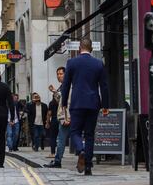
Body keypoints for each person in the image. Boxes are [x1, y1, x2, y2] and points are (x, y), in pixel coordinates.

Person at [60, 37, 110, 176]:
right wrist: (105, 105)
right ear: (91, 49)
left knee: (75, 131)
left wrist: (64, 102)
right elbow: (104, 86)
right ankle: (88, 166)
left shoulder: (72, 62)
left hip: (77, 103)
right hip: (93, 103)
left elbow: (66, 85)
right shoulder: (98, 64)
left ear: (79, 48)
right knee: (89, 135)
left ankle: (80, 150)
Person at [46, 66, 71, 168]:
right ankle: (82, 154)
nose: (59, 76)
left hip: (66, 117)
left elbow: (68, 103)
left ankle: (57, 161)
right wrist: (55, 92)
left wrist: (67, 118)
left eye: (61, 74)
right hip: (65, 116)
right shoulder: (63, 86)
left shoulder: (68, 86)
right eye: (57, 74)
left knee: (61, 140)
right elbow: (60, 101)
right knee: (64, 139)